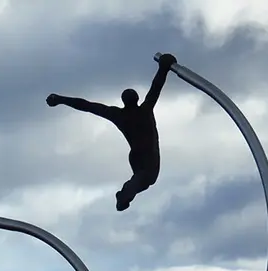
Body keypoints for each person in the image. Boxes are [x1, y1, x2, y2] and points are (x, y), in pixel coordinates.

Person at [46, 53, 178, 211]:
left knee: (141, 179)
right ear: (136, 98)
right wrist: (163, 67)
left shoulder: (119, 115)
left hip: (136, 156)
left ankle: (125, 193)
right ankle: (124, 195)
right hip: (148, 154)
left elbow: (87, 105)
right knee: (146, 178)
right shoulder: (145, 109)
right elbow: (156, 87)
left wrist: (60, 99)